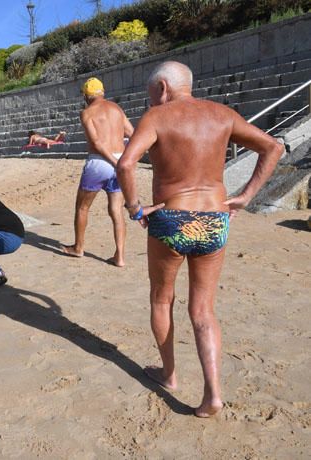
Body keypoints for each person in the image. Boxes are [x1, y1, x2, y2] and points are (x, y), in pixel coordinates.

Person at [116, 61, 283, 418]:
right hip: (215, 219)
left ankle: (169, 374)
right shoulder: (223, 114)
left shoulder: (157, 117)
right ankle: (213, 395)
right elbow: (273, 148)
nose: (152, 101)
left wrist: (135, 208)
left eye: (152, 95)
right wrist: (246, 195)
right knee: (204, 310)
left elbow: (126, 164)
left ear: (162, 87)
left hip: (172, 219)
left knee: (162, 300)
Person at [61, 77, 134, 267]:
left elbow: (97, 143)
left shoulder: (87, 113)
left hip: (100, 162)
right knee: (116, 210)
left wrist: (113, 160)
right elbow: (132, 133)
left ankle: (78, 247)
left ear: (86, 95)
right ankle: (120, 256)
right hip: (119, 159)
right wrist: (123, 160)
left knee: (82, 207)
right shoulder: (116, 109)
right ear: (103, 92)